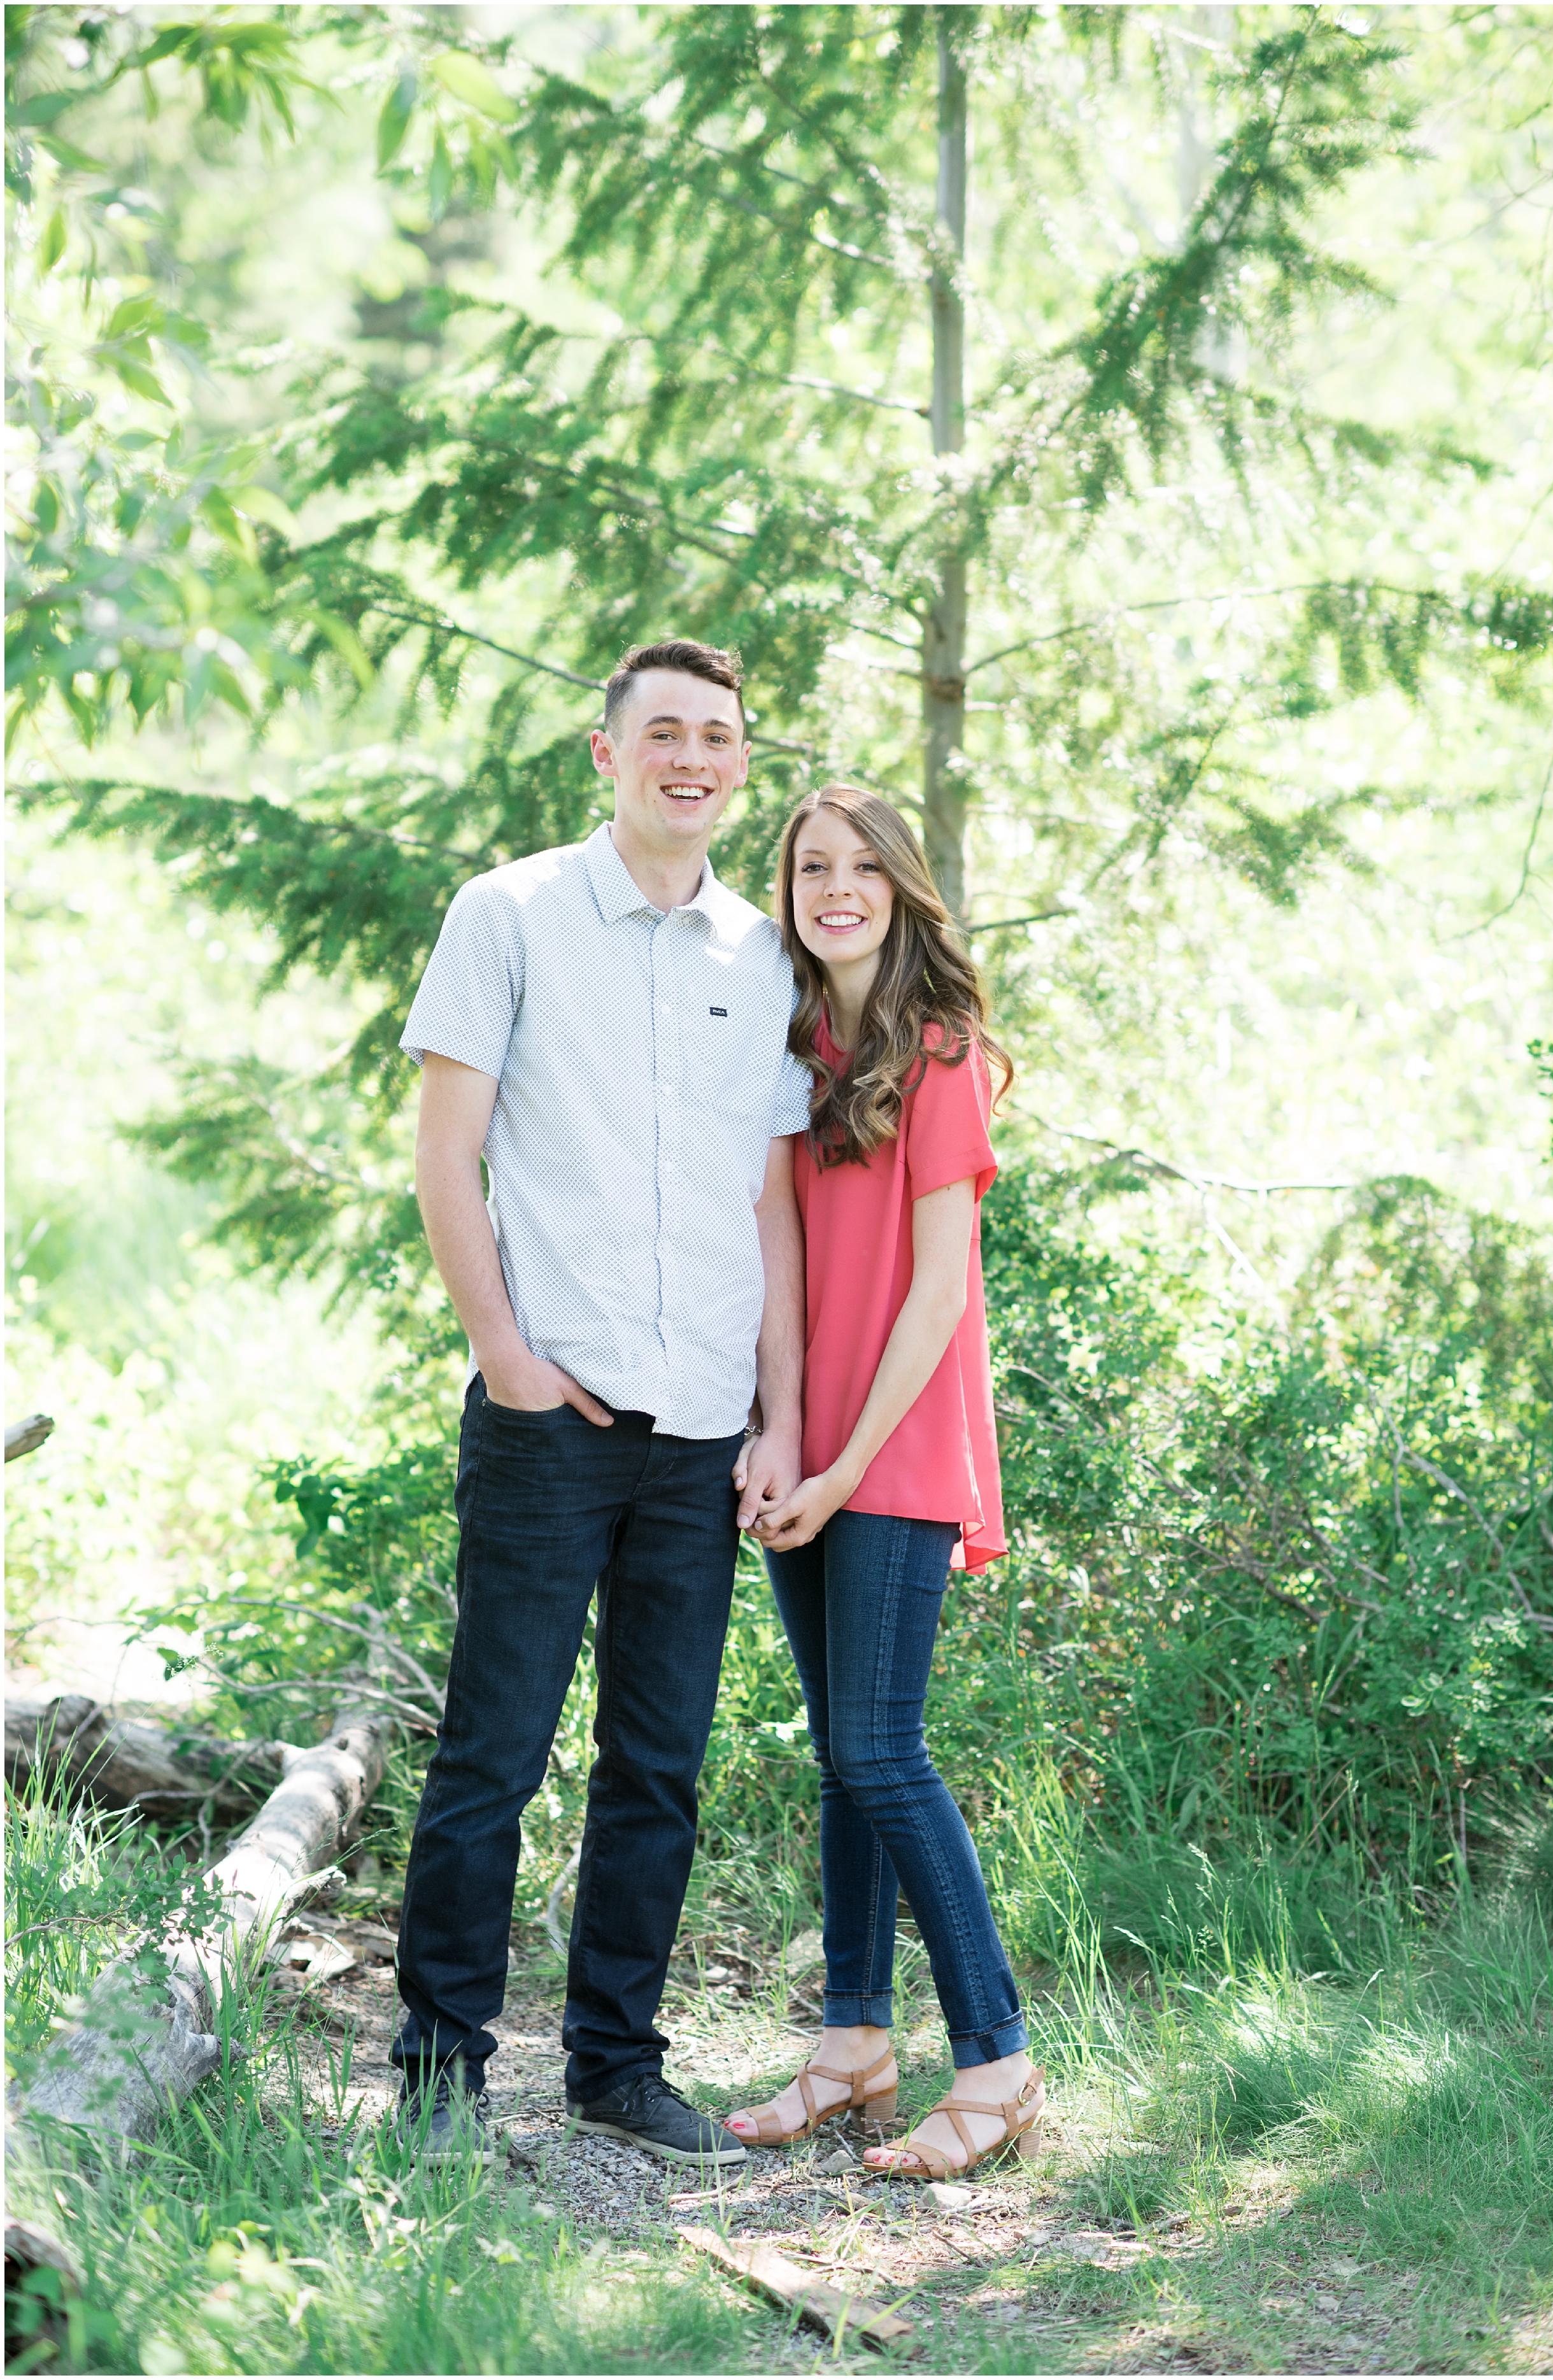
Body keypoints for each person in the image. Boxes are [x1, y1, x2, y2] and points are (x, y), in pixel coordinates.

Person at [391, 638, 810, 2169]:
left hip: (703, 1424)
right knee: (492, 1753)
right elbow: (447, 1156)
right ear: (605, 753)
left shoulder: (760, 957)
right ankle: (438, 2077)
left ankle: (613, 2068)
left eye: (717, 738)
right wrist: (503, 1350)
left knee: (658, 1762)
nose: (689, 759)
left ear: (739, 766)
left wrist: (777, 1416)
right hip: (546, 1414)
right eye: (663, 735)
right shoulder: (505, 915)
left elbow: (768, 1207)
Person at [724, 784, 1045, 2180]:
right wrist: (779, 1432)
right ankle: (852, 2043)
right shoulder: (791, 1045)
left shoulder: (939, 1051)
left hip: (901, 1447)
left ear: (901, 886)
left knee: (878, 1750)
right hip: (814, 1447)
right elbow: (781, 1257)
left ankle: (997, 2058)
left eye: (860, 866)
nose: (832, 887)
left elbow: (934, 1295)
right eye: (809, 866)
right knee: (837, 1755)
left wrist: (848, 1458)